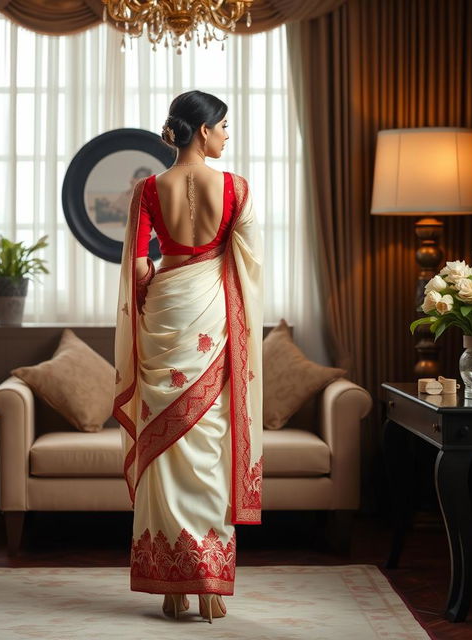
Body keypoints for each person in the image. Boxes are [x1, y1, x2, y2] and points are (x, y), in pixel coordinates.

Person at [112, 90, 263, 623]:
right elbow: (247, 261)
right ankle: (209, 588)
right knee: (210, 441)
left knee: (165, 448)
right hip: (213, 316)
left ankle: (172, 586)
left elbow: (135, 269)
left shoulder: (148, 189)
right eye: (223, 126)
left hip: (168, 314)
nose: (226, 135)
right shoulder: (236, 188)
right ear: (202, 131)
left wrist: (159, 274)